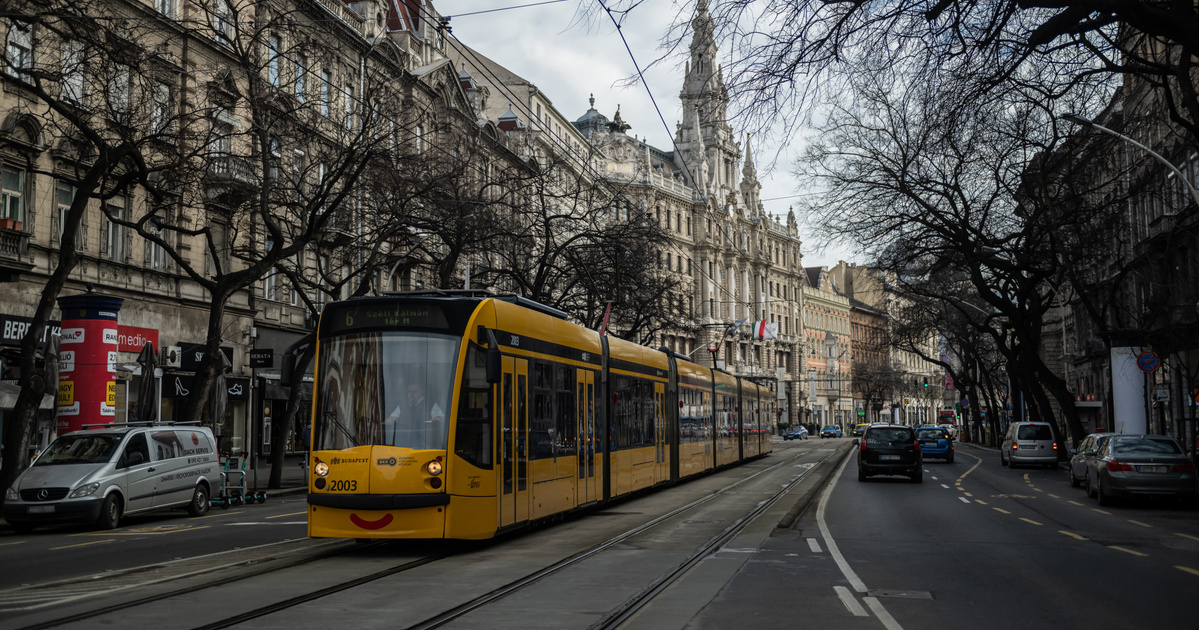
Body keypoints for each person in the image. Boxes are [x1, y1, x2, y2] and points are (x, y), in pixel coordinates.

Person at [384, 380, 444, 447]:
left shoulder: (430, 404)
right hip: (404, 442)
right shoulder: (403, 405)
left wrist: (432, 421)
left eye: (415, 392)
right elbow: (392, 419)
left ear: (421, 392)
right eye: (409, 392)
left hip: (424, 441)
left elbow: (439, 419)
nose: (411, 394)